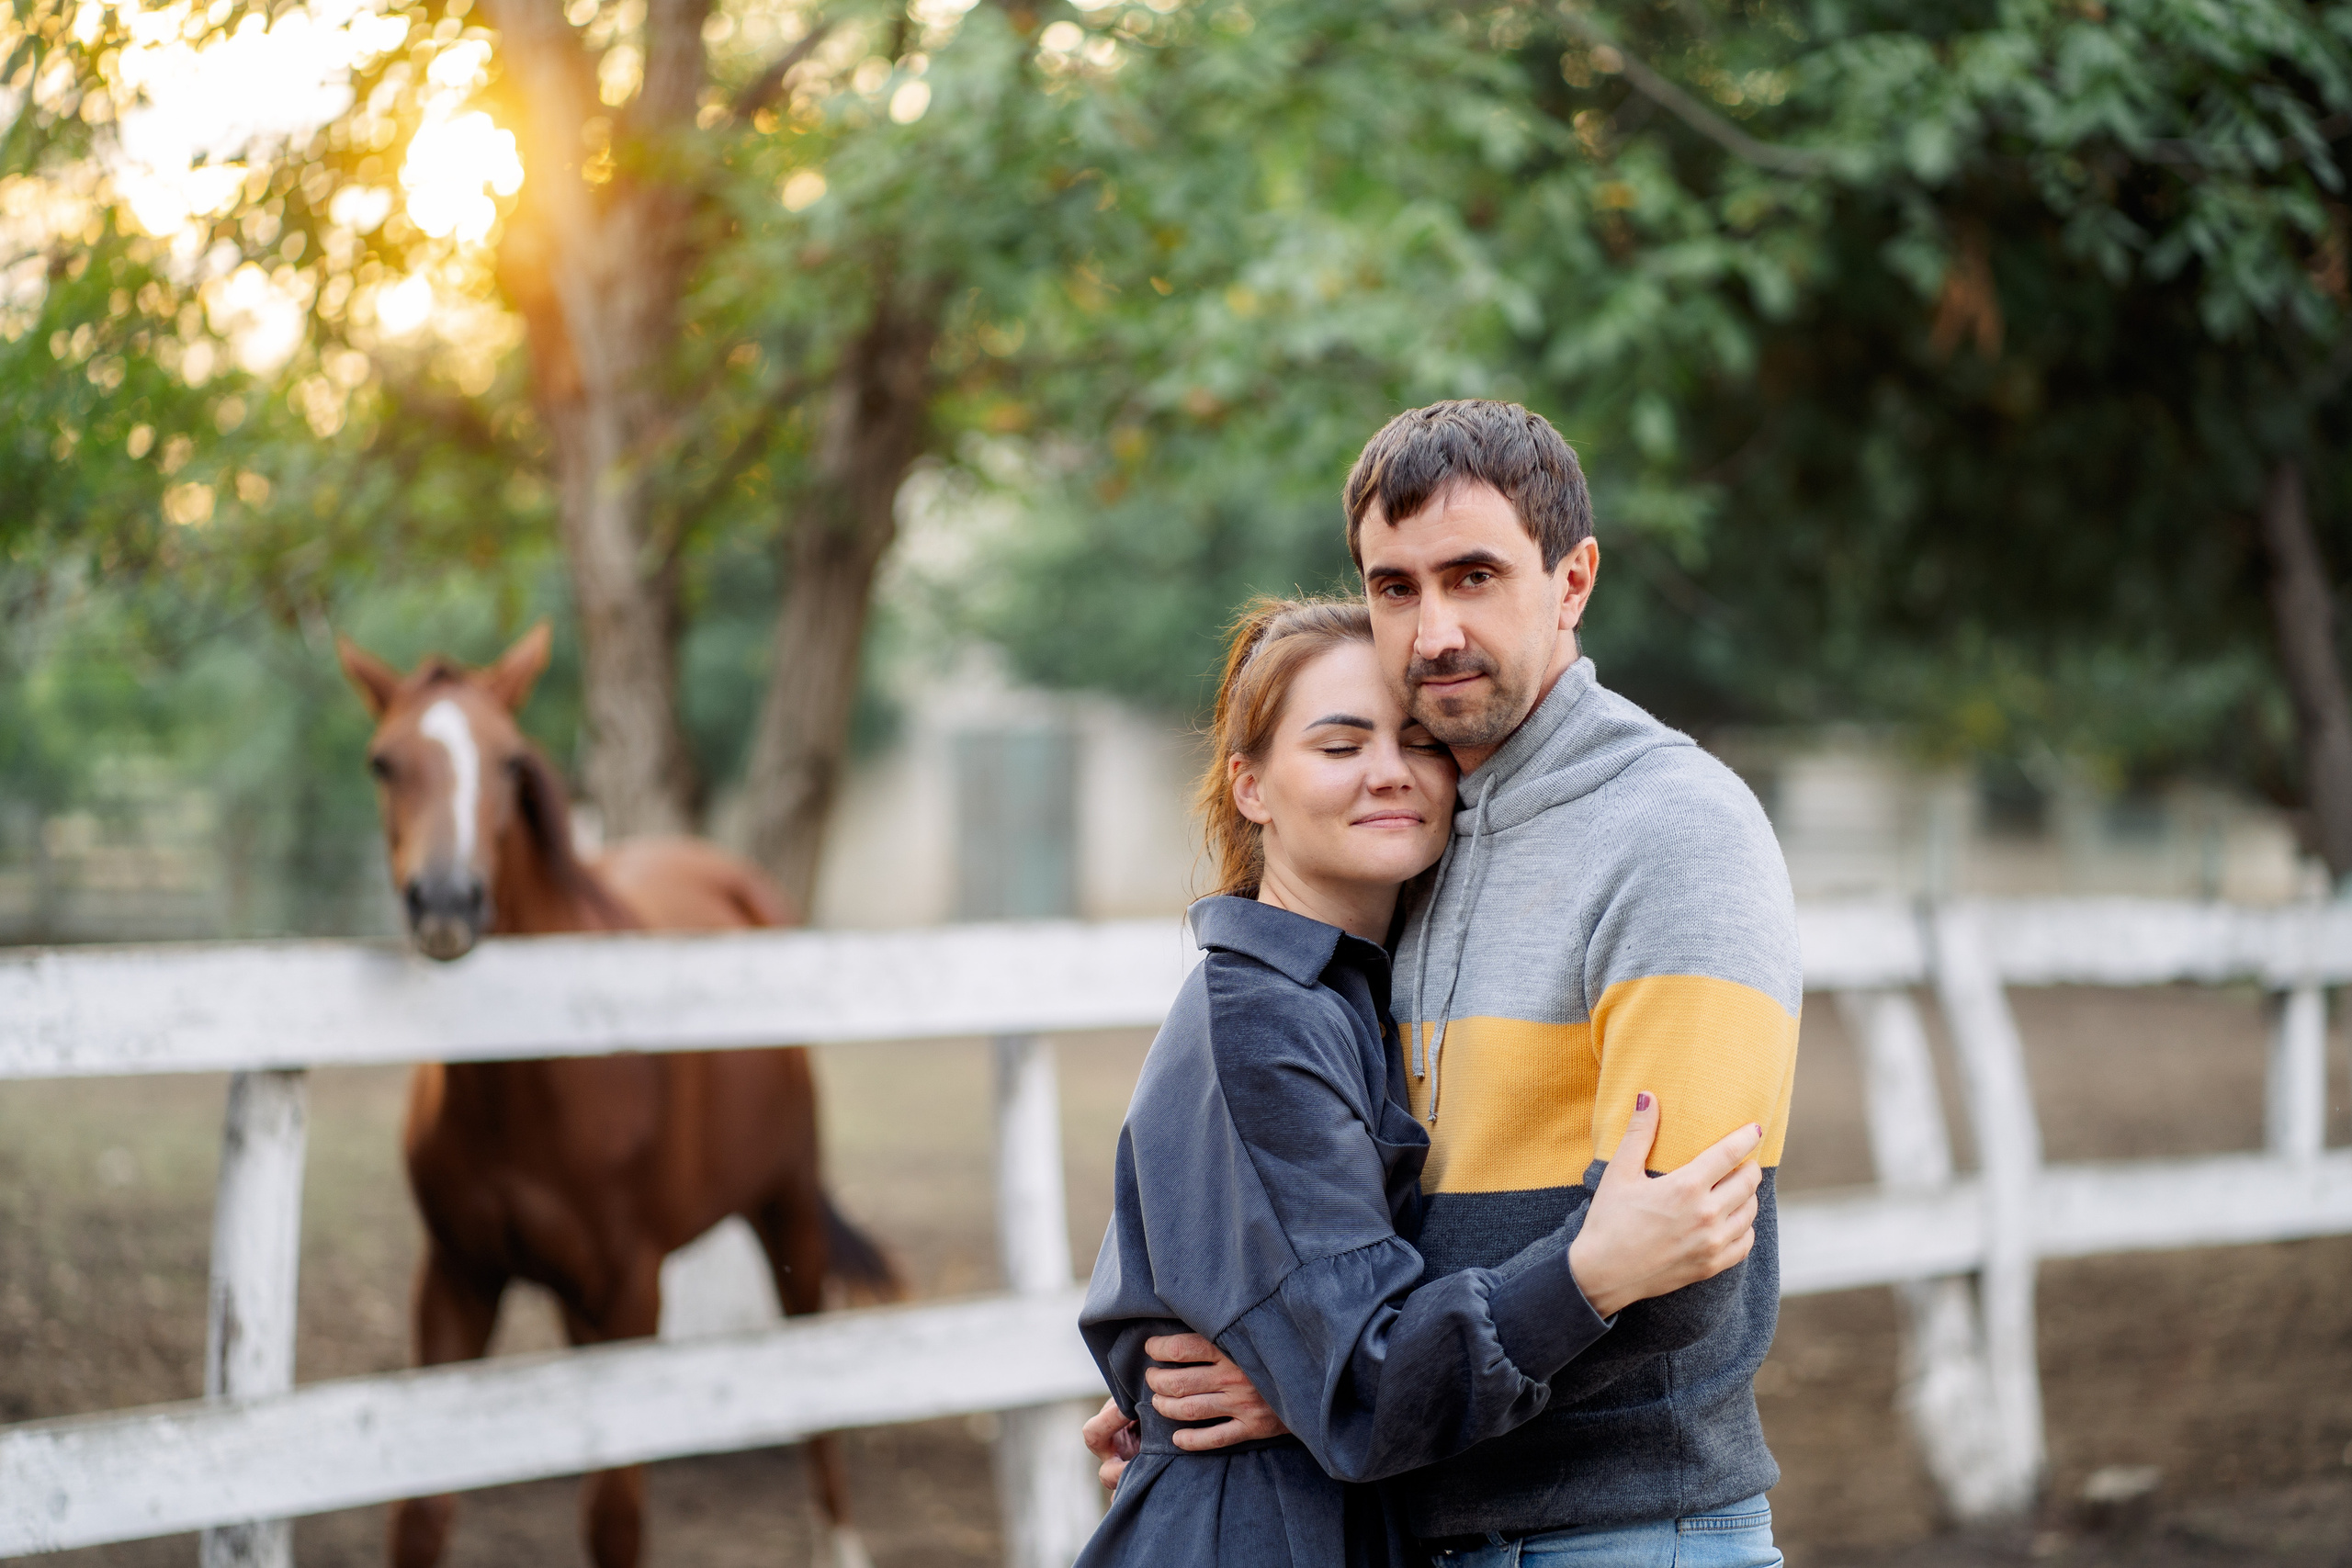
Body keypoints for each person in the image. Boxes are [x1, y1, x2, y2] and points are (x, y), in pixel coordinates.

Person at [1089, 401, 1804, 1567]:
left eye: (1473, 576)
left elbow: (1678, 1270)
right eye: (1395, 587)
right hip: (1421, 1529)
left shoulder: (1675, 831)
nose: (1432, 633)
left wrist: (1332, 1394)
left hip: (1615, 1535)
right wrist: (1319, 1363)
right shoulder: (1419, 845)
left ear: (1571, 581)